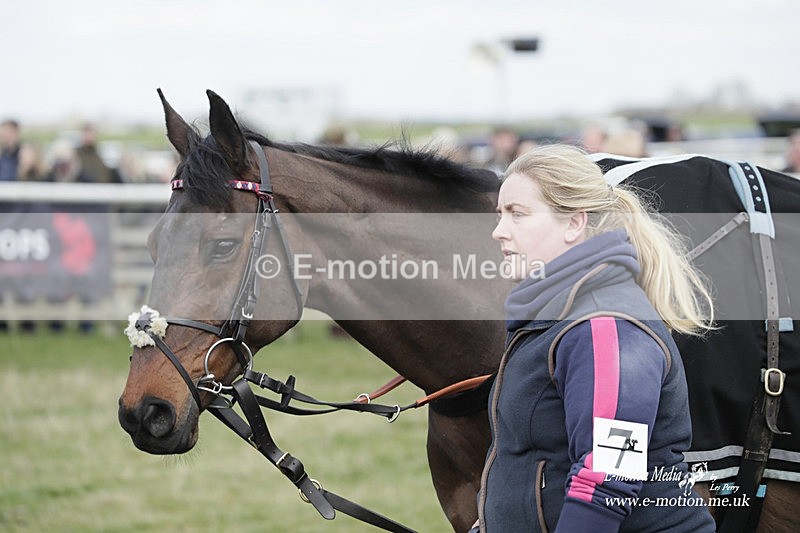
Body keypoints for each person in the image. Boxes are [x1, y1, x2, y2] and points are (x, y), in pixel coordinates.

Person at [472, 144, 716, 532]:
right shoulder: (560, 313)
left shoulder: (606, 326)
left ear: (574, 223)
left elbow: (608, 477)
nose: (499, 231)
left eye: (518, 214)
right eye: (501, 214)